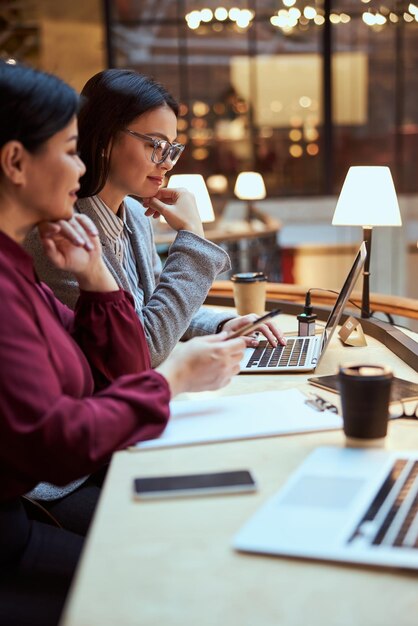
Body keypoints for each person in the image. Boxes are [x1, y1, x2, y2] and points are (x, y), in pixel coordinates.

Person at [0, 61, 245, 626]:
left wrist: (99, 281)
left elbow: (124, 344)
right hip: (43, 492)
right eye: (69, 149)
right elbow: (131, 369)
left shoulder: (34, 264)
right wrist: (172, 378)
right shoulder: (41, 250)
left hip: (71, 466)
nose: (78, 166)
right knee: (180, 569)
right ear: (15, 162)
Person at [26, 68, 285, 368]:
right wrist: (193, 239)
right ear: (105, 140)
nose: (167, 163)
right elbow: (144, 348)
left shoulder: (134, 214)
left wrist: (221, 324)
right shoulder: (60, 237)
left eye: (172, 148)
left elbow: (157, 309)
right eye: (156, 145)